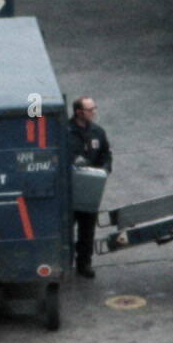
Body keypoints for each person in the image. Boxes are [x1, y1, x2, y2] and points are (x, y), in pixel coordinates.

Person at [68, 96, 112, 278]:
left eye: (94, 108)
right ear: (79, 112)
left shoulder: (98, 132)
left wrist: (104, 170)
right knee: (65, 228)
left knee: (87, 229)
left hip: (90, 189)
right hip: (69, 190)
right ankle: (65, 260)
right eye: (90, 109)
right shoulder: (65, 132)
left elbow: (106, 155)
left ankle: (84, 263)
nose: (94, 112)